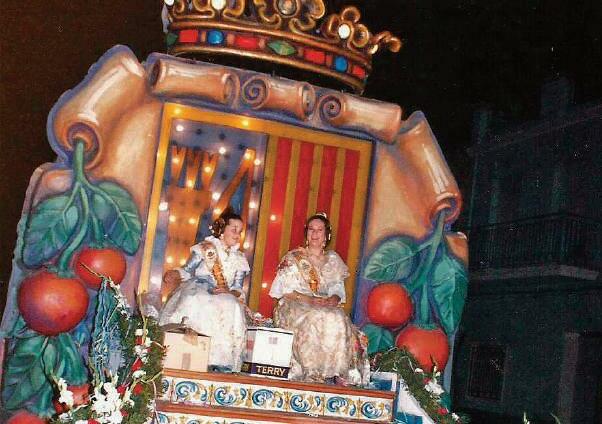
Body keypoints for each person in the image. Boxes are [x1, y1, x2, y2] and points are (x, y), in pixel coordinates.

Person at [269, 212, 369, 384]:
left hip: (323, 304)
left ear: (326, 235)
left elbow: (338, 290)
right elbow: (284, 291)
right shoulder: (294, 258)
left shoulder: (333, 259)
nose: (315, 233)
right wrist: (309, 300)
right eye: (311, 229)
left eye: (319, 230)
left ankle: (337, 370)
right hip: (296, 302)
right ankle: (311, 371)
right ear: (306, 233)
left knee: (337, 316)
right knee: (315, 315)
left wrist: (333, 299)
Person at [159, 207, 250, 372]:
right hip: (200, 286)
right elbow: (188, 270)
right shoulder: (206, 248)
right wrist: (175, 273)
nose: (237, 234)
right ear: (222, 230)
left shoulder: (240, 259)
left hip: (224, 292)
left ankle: (220, 361)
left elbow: (237, 287)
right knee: (197, 300)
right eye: (234, 229)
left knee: (231, 305)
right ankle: (187, 352)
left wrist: (230, 293)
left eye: (240, 231)